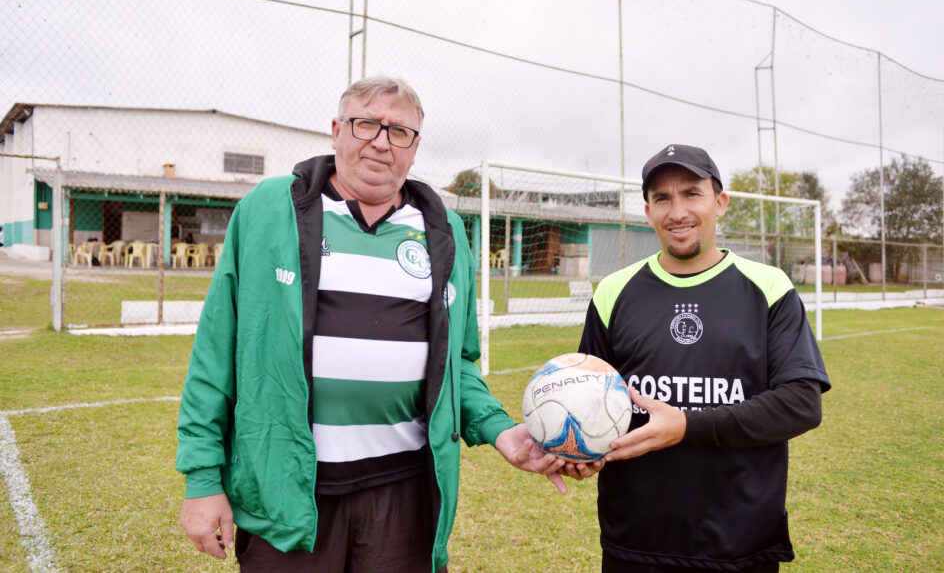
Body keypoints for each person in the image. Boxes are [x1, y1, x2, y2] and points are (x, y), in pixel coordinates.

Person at [176, 75, 568, 572]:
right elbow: (217, 351)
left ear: (415, 147)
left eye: (399, 132)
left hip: (403, 496)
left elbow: (458, 367)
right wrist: (202, 480)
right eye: (367, 124)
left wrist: (501, 431)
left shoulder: (447, 231)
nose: (381, 142)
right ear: (337, 130)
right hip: (288, 491)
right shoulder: (268, 209)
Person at [578, 144, 831, 572]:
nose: (677, 211)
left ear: (720, 202)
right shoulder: (613, 292)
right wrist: (577, 448)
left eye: (691, 193)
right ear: (648, 211)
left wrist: (687, 427)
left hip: (741, 541)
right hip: (635, 541)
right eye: (662, 198)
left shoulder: (769, 287)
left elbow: (801, 403)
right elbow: (591, 402)